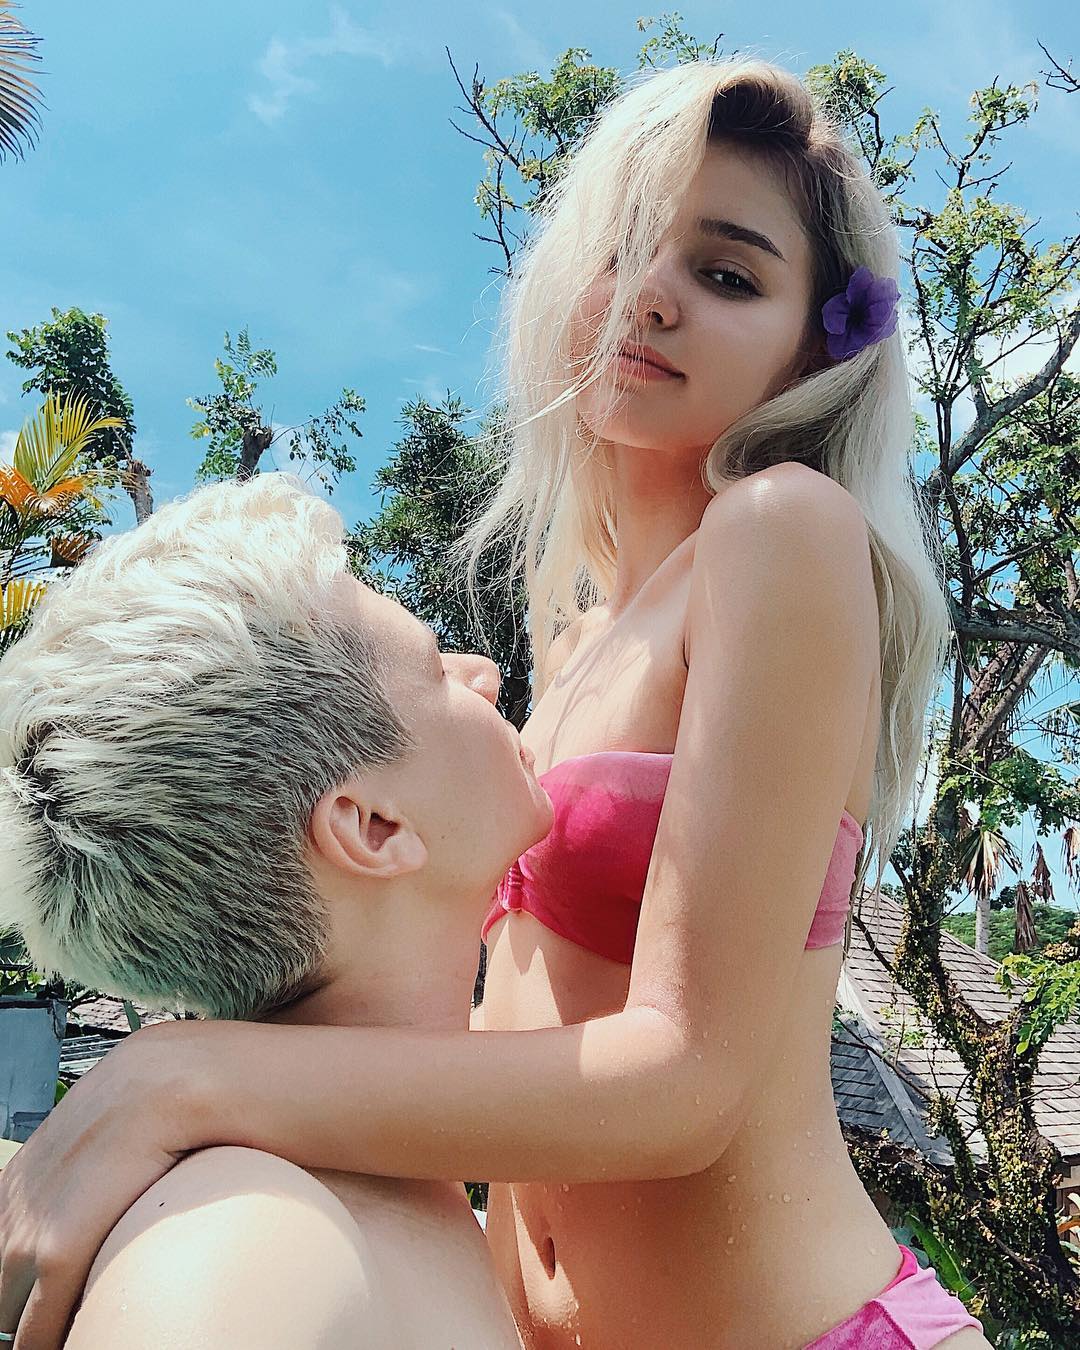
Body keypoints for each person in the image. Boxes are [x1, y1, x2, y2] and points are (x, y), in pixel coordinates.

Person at [0, 55, 992, 1349]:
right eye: (625, 247)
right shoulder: (568, 640)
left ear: (817, 346)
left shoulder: (778, 530)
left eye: (728, 275)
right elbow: (507, 1024)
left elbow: (689, 1080)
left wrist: (185, 1073)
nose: (652, 295)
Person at [0, 473, 540, 1348]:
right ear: (373, 826)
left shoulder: (364, 1211)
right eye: (435, 669)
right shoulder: (250, 1245)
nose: (484, 675)